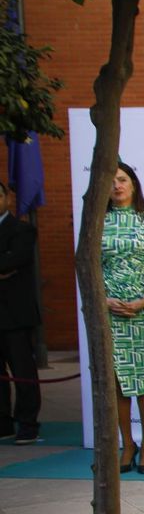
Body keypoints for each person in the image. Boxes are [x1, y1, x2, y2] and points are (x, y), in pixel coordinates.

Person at [103, 162, 144, 475]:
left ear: (133, 183)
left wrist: (143, 299)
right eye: (112, 181)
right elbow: (89, 266)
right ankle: (125, 443)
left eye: (122, 179)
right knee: (116, 379)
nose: (117, 186)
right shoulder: (98, 220)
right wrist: (104, 299)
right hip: (109, 311)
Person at [0, 178, 41, 445]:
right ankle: (3, 423)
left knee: (23, 371)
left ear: (7, 199)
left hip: (16, 315)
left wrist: (7, 265)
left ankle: (27, 423)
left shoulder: (23, 230)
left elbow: (14, 260)